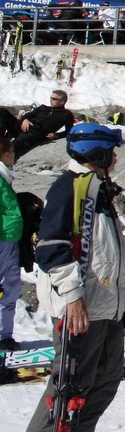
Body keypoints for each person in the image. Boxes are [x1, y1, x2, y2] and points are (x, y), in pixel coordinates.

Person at [16, 124, 125, 432]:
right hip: (81, 309)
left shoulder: (98, 190)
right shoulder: (71, 188)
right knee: (66, 394)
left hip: (105, 308)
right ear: (98, 154)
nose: (117, 157)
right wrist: (73, 295)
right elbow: (50, 248)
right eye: (112, 151)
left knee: (104, 383)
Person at [0, 90, 76, 161]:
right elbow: (27, 115)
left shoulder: (66, 114)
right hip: (23, 126)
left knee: (18, 142)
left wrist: (57, 135)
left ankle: (3, 156)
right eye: (50, 98)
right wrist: (25, 119)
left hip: (36, 133)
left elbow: (70, 131)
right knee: (2, 111)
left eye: (54, 99)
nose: (51, 100)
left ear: (62, 102)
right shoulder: (43, 108)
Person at [0, 138, 24, 350]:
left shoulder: (3, 177)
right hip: (3, 239)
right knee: (7, 287)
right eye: (12, 151)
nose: (14, 155)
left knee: (9, 287)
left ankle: (4, 335)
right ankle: (3, 336)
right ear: (6, 153)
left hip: (8, 238)